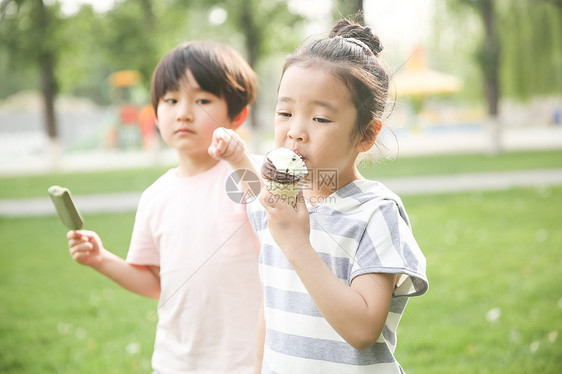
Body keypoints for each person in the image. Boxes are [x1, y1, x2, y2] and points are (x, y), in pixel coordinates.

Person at [211, 19, 429, 373]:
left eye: (320, 119)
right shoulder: (279, 205)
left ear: (366, 136)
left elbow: (363, 330)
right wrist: (236, 157)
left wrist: (297, 245)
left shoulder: (375, 213)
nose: (295, 132)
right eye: (285, 113)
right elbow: (272, 304)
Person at [67, 41, 262, 373]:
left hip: (248, 360)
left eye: (202, 100)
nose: (183, 112)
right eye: (171, 100)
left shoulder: (248, 175)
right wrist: (101, 259)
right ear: (155, 113)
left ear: (237, 114)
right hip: (177, 361)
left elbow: (276, 210)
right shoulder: (156, 196)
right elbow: (156, 283)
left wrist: (239, 159)